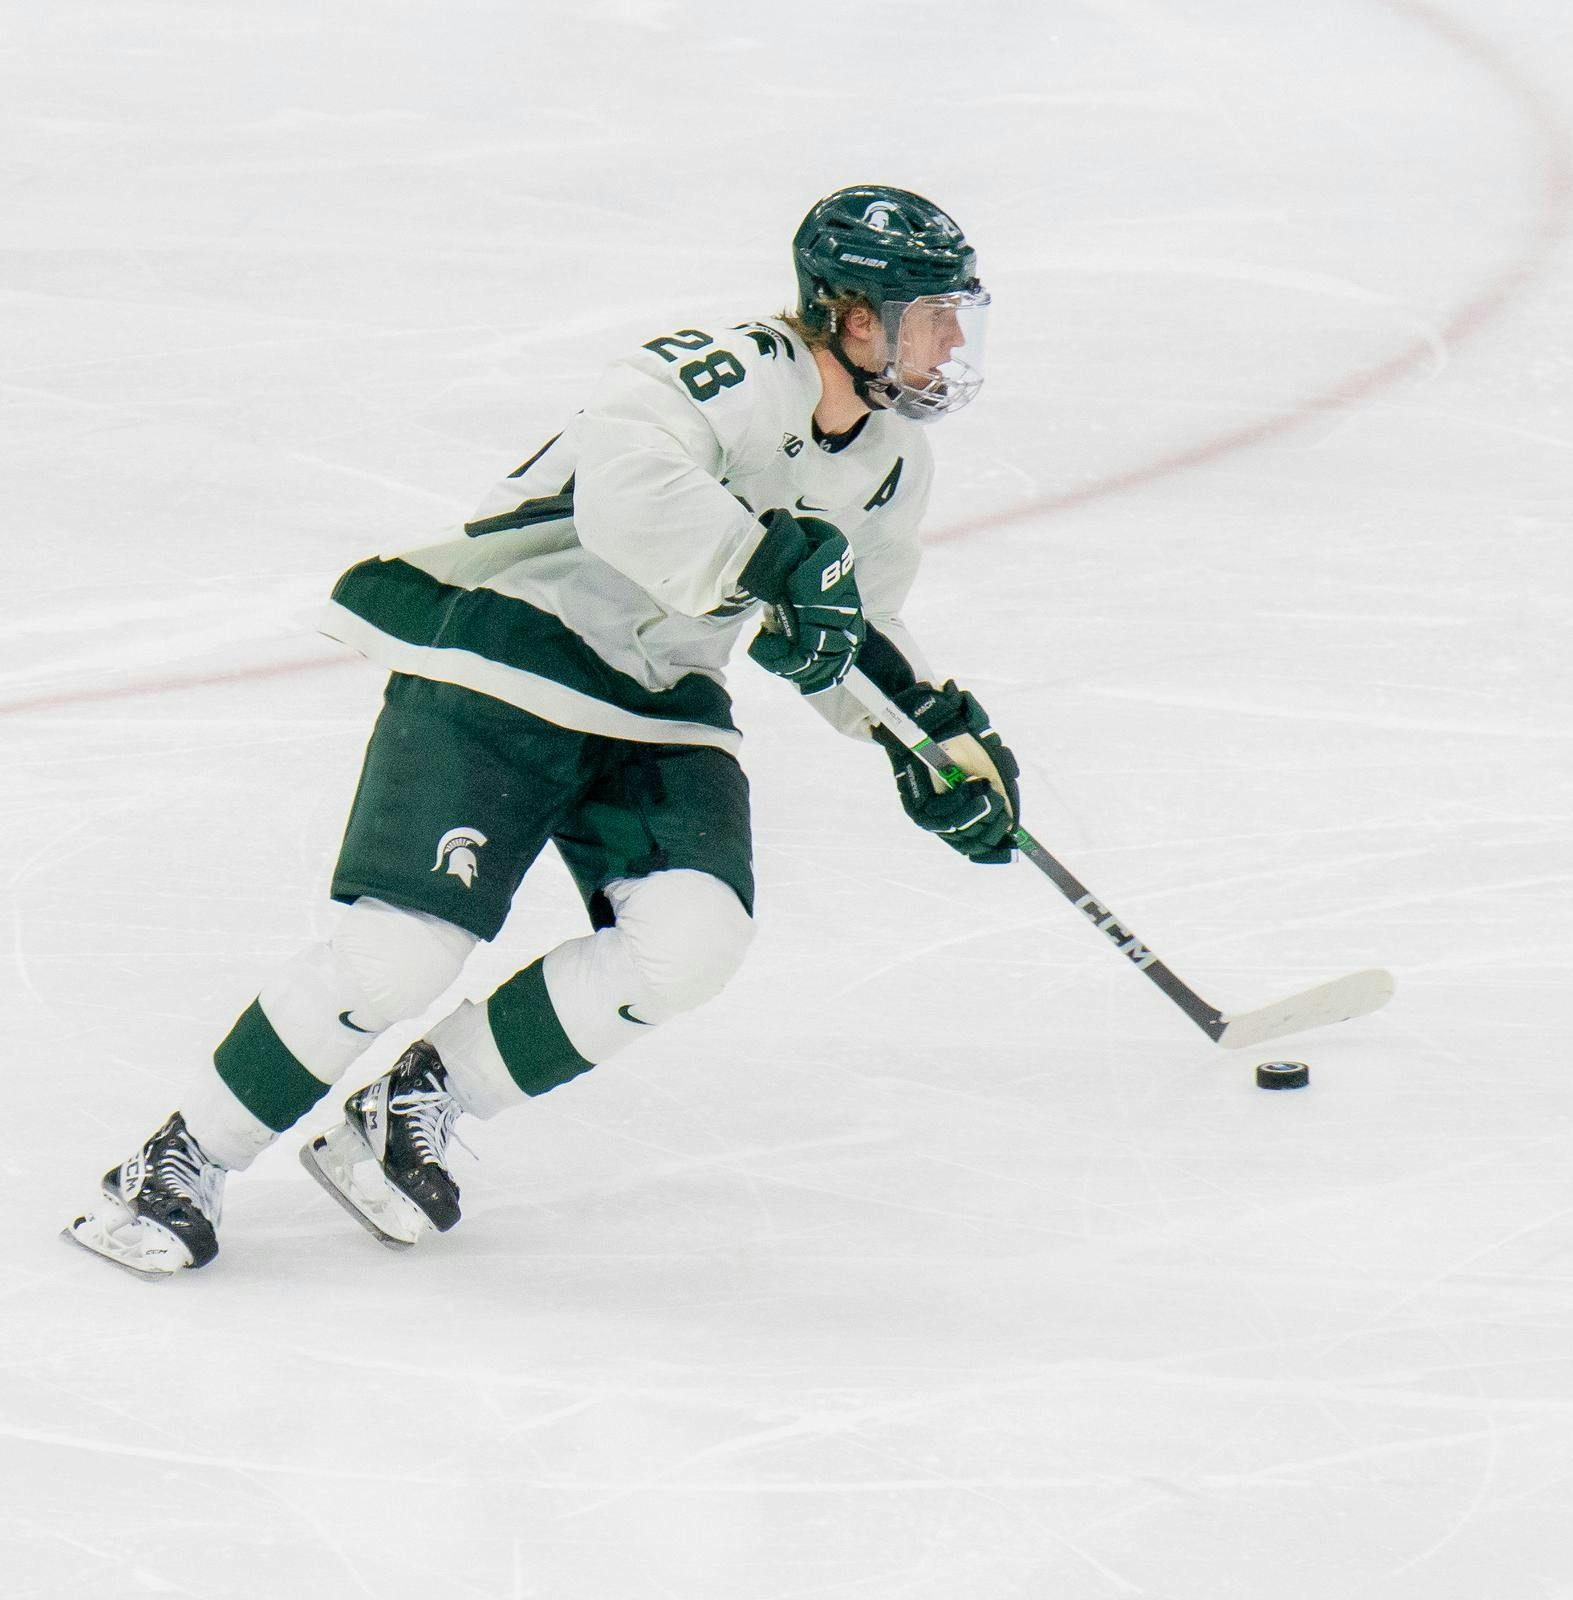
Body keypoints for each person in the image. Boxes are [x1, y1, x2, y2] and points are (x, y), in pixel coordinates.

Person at [63, 184, 1023, 1278]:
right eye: (930, 311)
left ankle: (415, 1102)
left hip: (659, 696)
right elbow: (629, 487)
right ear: (853, 314)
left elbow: (861, 622)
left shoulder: (893, 459)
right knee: (399, 953)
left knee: (692, 940)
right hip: (511, 647)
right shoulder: (729, 369)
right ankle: (180, 1156)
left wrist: (931, 737)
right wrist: (765, 565)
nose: (951, 339)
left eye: (957, 312)